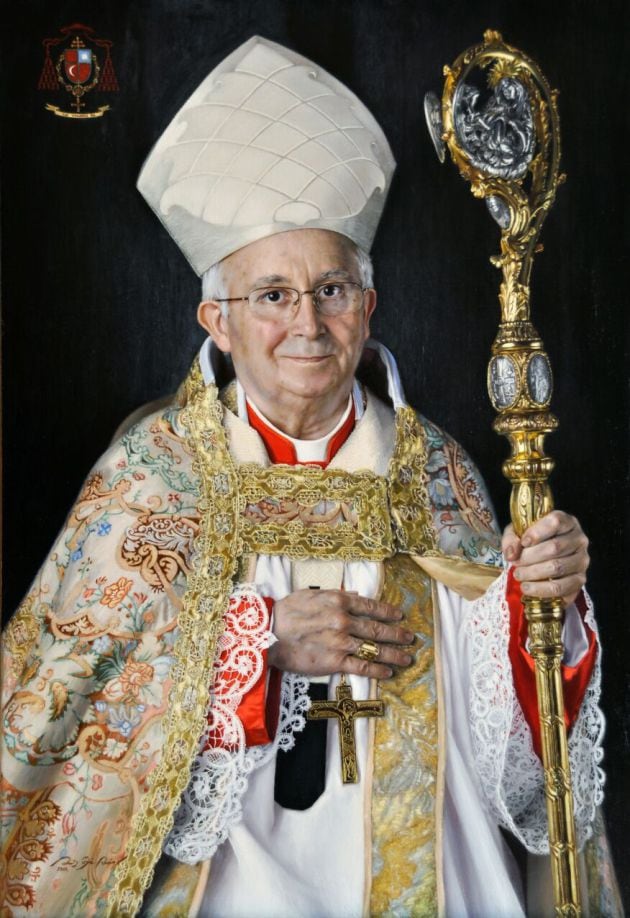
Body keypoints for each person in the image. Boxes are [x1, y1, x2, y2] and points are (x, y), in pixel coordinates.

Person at [0, 36, 620, 918]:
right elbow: (59, 704)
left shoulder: (433, 471)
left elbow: (517, 763)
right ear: (217, 320)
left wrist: (535, 606)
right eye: (273, 295)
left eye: (332, 290)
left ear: (368, 309)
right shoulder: (153, 477)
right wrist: (254, 645)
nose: (308, 324)